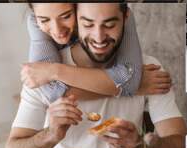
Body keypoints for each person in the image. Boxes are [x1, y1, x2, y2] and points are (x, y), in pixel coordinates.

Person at [5, 3, 186, 148]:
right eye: (88, 24)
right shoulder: (42, 74)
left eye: (110, 24)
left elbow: (180, 145)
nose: (99, 38)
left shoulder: (149, 70)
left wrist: (140, 146)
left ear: (125, 18)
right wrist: (50, 134)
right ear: (76, 17)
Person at [22, 3, 172, 103]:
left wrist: (54, 71)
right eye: (44, 20)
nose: (57, 30)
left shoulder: (121, 13)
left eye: (66, 16)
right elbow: (52, 91)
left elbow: (129, 77)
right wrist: (132, 89)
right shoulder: (34, 22)